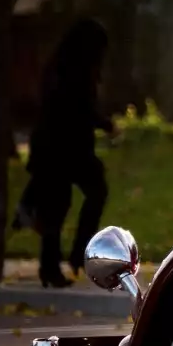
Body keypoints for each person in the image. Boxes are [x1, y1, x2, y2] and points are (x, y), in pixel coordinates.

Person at [15, 18, 114, 287]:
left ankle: (74, 254)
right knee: (57, 207)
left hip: (72, 148)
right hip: (57, 148)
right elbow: (75, 108)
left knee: (91, 194)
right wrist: (105, 124)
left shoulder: (68, 68)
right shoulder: (68, 71)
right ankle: (52, 267)